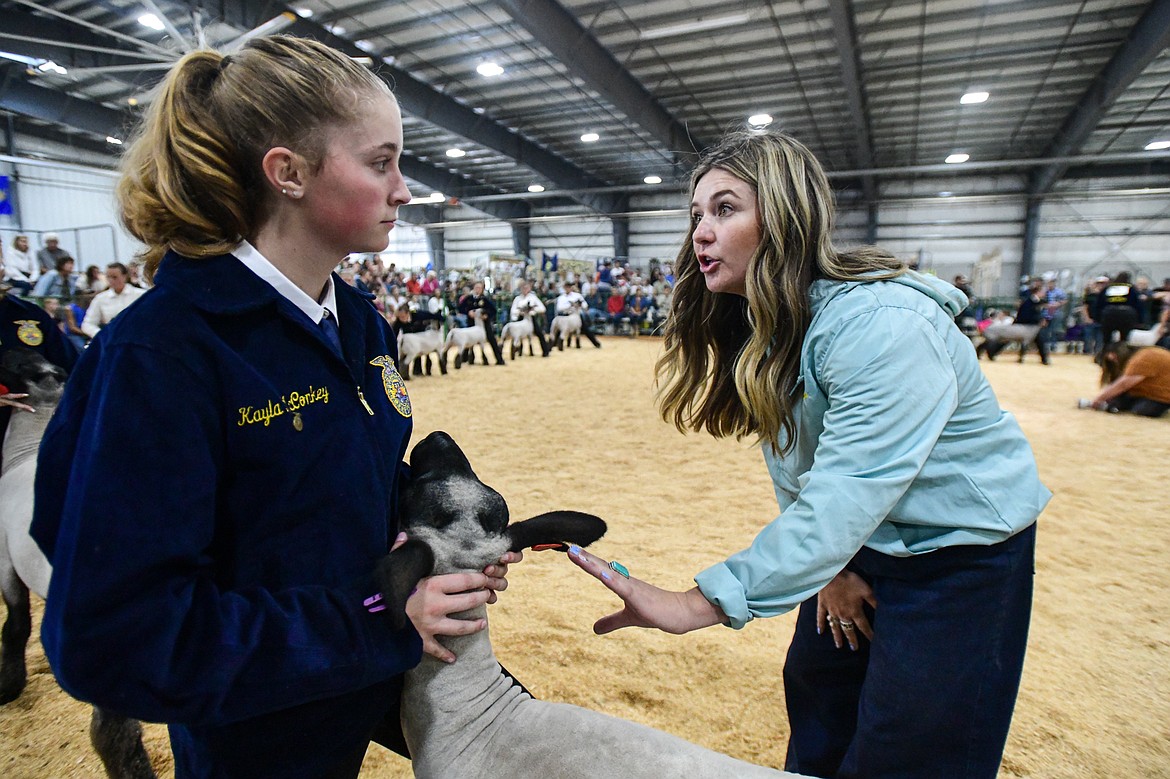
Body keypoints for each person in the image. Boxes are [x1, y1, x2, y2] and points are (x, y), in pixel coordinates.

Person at [30, 36, 520, 779]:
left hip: (355, 700)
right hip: (252, 738)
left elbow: (338, 486)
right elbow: (116, 636)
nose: (405, 188)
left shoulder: (355, 321)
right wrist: (373, 621)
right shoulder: (163, 354)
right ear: (288, 173)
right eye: (381, 161)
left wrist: (438, 545)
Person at [566, 130, 1049, 779]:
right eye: (696, 215)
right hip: (861, 539)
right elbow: (797, 464)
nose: (699, 234)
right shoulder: (775, 329)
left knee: (912, 744)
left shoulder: (882, 325)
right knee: (819, 701)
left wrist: (693, 603)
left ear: (785, 217)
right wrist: (835, 567)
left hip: (961, 555)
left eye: (725, 209)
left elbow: (845, 492)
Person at [1079, 343, 1170, 417]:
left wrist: (1099, 399)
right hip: (1148, 392)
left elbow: (1124, 384)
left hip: (1163, 395)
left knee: (1142, 410)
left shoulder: (1142, 359)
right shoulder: (1141, 355)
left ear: (1114, 357)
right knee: (1116, 401)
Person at [79, 262, 146, 338]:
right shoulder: (100, 298)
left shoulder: (141, 295)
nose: (111, 280)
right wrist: (101, 335)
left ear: (125, 276)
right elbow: (87, 324)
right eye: (108, 277)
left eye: (115, 277)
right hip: (113, 339)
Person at [457, 279, 506, 364]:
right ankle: (465, 359)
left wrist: (486, 316)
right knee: (468, 340)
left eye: (479, 288)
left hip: (484, 324)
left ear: (482, 289)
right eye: (476, 287)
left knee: (492, 339)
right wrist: (468, 312)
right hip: (471, 323)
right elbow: (460, 308)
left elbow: (493, 310)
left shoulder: (485, 299)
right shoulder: (469, 298)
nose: (478, 289)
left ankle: (499, 359)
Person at [1096, 271, 1142, 348]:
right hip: (1126, 315)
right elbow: (1138, 305)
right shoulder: (1131, 289)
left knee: (1107, 339)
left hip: (1109, 314)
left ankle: (1105, 355)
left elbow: (1099, 304)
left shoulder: (1108, 288)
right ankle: (1121, 354)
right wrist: (1140, 320)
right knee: (1124, 339)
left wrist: (1098, 318)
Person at [509, 279, 551, 356]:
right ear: (520, 289)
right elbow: (513, 310)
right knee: (516, 335)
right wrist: (520, 312)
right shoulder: (517, 299)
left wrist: (533, 310)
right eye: (523, 288)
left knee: (539, 333)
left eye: (526, 288)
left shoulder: (533, 297)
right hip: (520, 319)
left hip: (531, 319)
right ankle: (515, 351)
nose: (525, 290)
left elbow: (542, 308)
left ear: (529, 289)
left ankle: (545, 351)